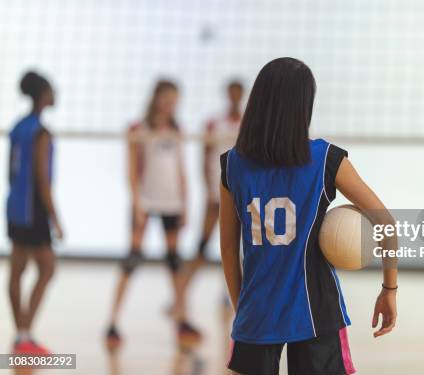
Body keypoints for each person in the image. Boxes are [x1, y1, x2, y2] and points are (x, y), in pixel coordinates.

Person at [220, 57, 398, 375]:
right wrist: (389, 289)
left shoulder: (232, 165)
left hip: (256, 312)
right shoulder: (325, 159)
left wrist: (242, 310)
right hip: (316, 311)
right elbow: (385, 222)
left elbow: (229, 249)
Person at [105, 80, 200, 350]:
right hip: (145, 202)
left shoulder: (176, 130)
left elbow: (181, 169)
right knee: (132, 258)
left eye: (175, 100)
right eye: (167, 98)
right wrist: (136, 205)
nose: (171, 104)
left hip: (171, 202)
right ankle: (113, 322)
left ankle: (182, 319)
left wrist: (185, 204)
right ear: (156, 98)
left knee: (173, 261)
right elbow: (131, 170)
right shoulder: (138, 129)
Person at [173, 81, 244, 323]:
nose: (234, 97)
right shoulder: (214, 123)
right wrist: (208, 189)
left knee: (239, 248)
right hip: (217, 194)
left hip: (242, 195)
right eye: (231, 92)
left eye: (238, 93)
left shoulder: (249, 123)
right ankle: (180, 295)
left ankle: (230, 296)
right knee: (202, 245)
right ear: (227, 94)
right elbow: (204, 159)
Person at [7, 71, 63, 354]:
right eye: (52, 89)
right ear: (42, 95)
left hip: (15, 206)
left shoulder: (18, 127)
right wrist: (56, 219)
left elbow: (10, 173)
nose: (56, 94)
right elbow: (43, 180)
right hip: (33, 210)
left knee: (17, 270)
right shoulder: (41, 132)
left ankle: (22, 337)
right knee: (47, 268)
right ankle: (25, 332)